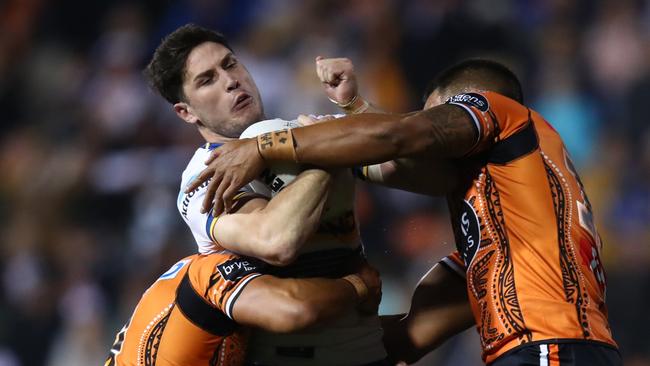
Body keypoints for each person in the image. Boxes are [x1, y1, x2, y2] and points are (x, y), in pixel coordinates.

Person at [189, 57, 622, 365]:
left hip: (550, 353)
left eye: (440, 121)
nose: (430, 150)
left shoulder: (505, 114)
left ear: (468, 107)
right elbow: (408, 336)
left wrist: (264, 147)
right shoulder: (513, 230)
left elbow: (401, 138)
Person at [143, 24, 387, 365]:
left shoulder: (303, 131)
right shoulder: (202, 178)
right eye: (207, 80)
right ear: (186, 112)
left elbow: (418, 169)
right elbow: (276, 241)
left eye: (230, 64)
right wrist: (326, 153)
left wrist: (354, 106)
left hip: (366, 352)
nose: (231, 80)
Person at [104, 170, 382, 366]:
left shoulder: (228, 293)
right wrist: (357, 286)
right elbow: (295, 309)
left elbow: (346, 339)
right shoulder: (207, 273)